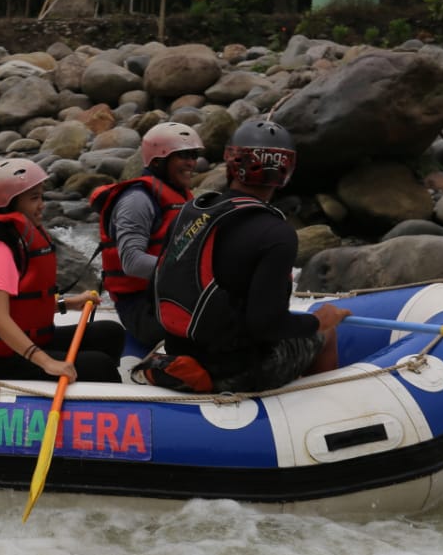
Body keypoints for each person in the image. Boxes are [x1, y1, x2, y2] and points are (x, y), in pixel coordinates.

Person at [145, 118, 350, 393]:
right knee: (325, 334)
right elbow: (267, 325)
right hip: (235, 371)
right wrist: (318, 321)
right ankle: (325, 403)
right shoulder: (277, 233)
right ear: (286, 171)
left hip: (179, 354)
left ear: (231, 163)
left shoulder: (192, 212)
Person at [0, 158, 125, 383]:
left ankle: (87, 390)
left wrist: (66, 304)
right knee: (99, 365)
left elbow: (24, 305)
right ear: (8, 203)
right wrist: (47, 362)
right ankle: (102, 399)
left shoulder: (19, 236)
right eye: (33, 198)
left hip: (22, 343)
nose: (41, 204)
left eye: (41, 196)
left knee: (110, 333)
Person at [90, 121, 202, 349]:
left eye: (193, 155)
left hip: (172, 295)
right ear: (159, 161)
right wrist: (192, 275)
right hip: (141, 306)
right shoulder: (137, 200)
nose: (192, 162)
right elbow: (132, 261)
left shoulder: (181, 195)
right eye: (183, 156)